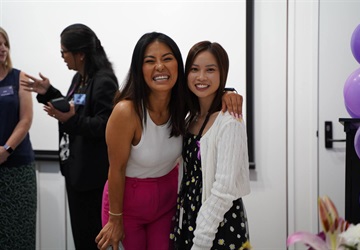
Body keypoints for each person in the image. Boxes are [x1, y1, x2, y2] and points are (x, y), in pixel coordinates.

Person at [95, 32, 243, 250]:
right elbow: (115, 170)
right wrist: (115, 219)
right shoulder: (126, 111)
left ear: (178, 66)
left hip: (167, 204)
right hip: (127, 206)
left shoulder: (182, 106)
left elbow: (205, 92)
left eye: (167, 58)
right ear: (139, 68)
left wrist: (228, 93)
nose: (160, 67)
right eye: (150, 61)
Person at [21, 23, 119, 249]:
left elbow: (107, 126)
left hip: (92, 178)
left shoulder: (103, 80)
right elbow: (72, 109)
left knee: (92, 239)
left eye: (64, 52)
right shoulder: (79, 78)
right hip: (76, 171)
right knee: (82, 238)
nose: (63, 57)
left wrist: (72, 121)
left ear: (80, 54)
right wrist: (49, 93)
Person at [170, 41, 251, 249]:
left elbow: (224, 189)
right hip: (188, 217)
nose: (201, 77)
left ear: (222, 73)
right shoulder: (191, 117)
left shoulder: (230, 121)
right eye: (194, 70)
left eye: (210, 70)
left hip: (217, 223)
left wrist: (202, 238)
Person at [0, 27, 37, 249]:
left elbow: (25, 120)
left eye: (4, 43)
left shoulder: (19, 77)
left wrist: (6, 150)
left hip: (17, 167)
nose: (2, 48)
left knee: (19, 232)